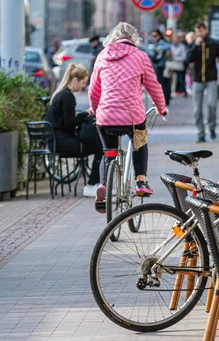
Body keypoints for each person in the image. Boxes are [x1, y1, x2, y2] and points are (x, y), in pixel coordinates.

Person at [89, 22, 169, 212]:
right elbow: (153, 86)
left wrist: (95, 109)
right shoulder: (140, 56)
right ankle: (141, 181)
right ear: (133, 38)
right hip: (132, 116)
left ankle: (103, 184)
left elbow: (93, 90)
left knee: (108, 151)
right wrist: (161, 108)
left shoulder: (102, 56)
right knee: (140, 140)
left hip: (106, 116)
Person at [45, 64, 103, 197]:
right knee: (99, 148)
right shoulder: (68, 97)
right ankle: (92, 184)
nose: (83, 86)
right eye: (83, 82)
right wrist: (84, 115)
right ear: (75, 80)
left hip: (55, 140)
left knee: (96, 146)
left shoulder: (59, 94)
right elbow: (69, 125)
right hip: (61, 141)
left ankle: (94, 184)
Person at [186, 22, 219, 143]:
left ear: (206, 30)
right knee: (197, 109)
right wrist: (195, 46)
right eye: (197, 31)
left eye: (201, 31)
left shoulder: (213, 43)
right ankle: (201, 133)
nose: (199, 33)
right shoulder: (194, 44)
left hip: (211, 79)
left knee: (211, 105)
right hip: (197, 80)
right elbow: (188, 59)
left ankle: (212, 128)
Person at [149, 29, 171, 106]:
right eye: (153, 36)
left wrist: (159, 49)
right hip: (158, 65)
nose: (154, 37)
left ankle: (163, 100)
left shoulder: (161, 43)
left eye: (155, 36)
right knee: (162, 83)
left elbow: (168, 47)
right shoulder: (155, 43)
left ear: (159, 35)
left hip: (161, 66)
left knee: (161, 84)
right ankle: (163, 100)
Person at [170, 32, 187, 97]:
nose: (175, 40)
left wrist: (176, 58)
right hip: (172, 66)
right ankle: (172, 92)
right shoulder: (171, 46)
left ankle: (184, 92)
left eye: (176, 39)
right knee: (171, 80)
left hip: (179, 65)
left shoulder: (182, 46)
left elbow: (184, 56)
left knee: (181, 80)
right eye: (174, 39)